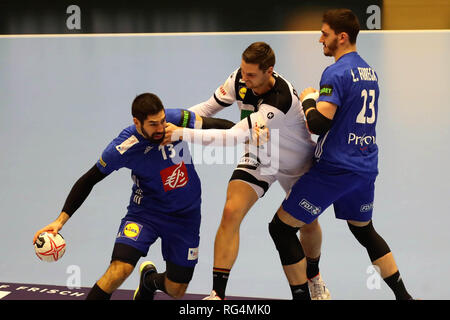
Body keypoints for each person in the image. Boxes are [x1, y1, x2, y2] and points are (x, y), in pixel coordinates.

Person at [32, 93, 234, 300]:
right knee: (120, 270)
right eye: (153, 124)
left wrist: (247, 133)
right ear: (137, 123)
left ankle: (149, 281)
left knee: (176, 289)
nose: (161, 128)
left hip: (186, 215)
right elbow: (88, 180)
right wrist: (60, 221)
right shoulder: (123, 147)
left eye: (162, 121)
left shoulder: (175, 121)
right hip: (146, 213)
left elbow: (212, 124)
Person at [167, 42, 329, 300]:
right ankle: (217, 294)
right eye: (243, 72)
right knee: (231, 211)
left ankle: (314, 277)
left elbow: (232, 137)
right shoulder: (239, 79)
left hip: (297, 164)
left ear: (269, 71)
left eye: (251, 75)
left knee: (307, 223)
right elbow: (208, 108)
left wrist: (179, 133)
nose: (245, 79)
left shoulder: (279, 101)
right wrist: (172, 118)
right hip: (261, 156)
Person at [269, 9, 413, 300]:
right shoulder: (370, 72)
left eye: (325, 33)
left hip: (334, 169)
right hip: (364, 168)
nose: (320, 38)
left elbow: (319, 123)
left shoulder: (335, 72)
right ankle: (404, 297)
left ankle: (303, 294)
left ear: (341, 37)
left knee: (281, 229)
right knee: (364, 231)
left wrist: (309, 98)